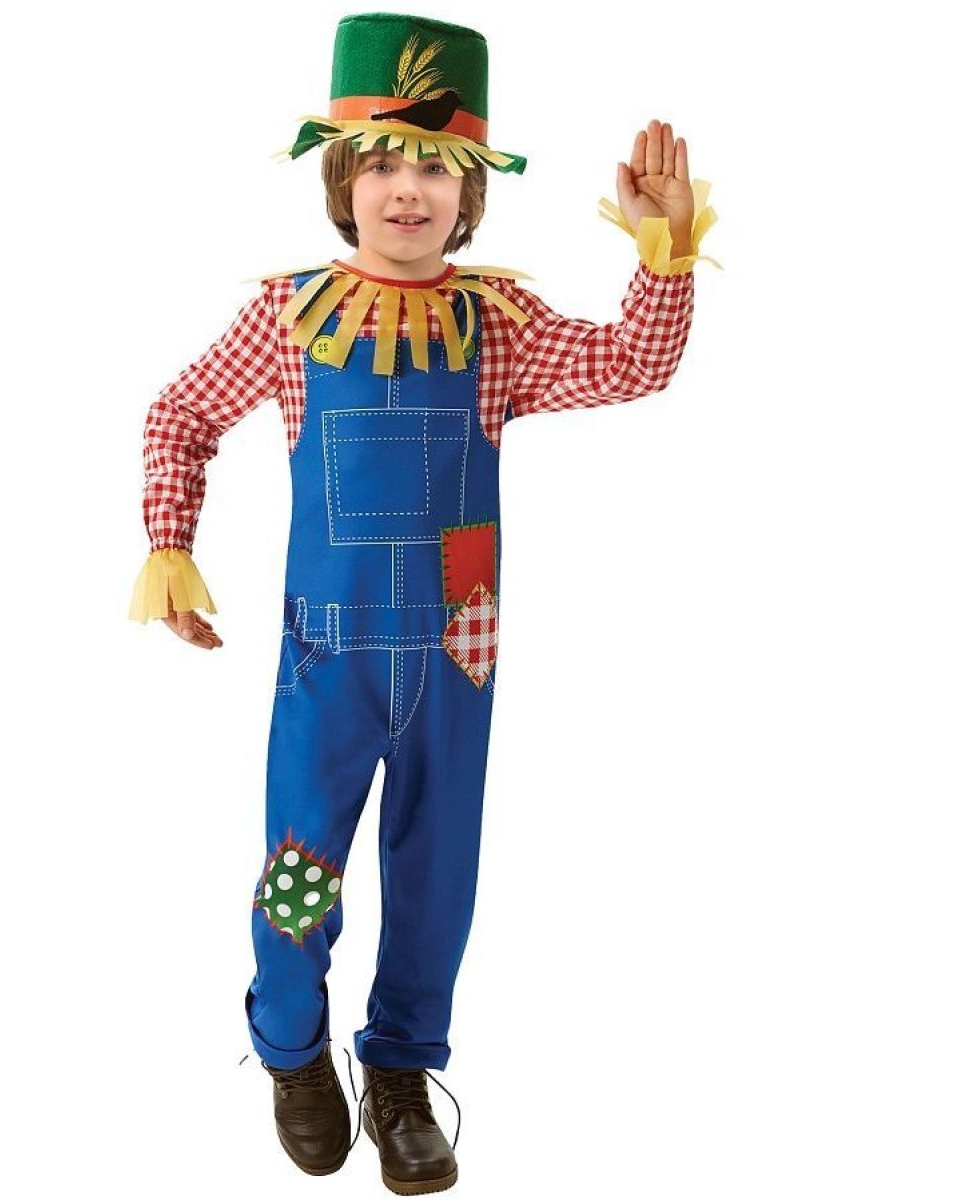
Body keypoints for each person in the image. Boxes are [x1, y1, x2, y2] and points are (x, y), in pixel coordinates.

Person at [129, 11, 719, 1194]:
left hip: (458, 650)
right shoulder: (289, 314)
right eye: (385, 163)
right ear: (343, 183)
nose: (410, 190)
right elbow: (180, 415)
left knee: (437, 877)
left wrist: (663, 258)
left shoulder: (498, 325)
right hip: (328, 656)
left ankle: (400, 1068)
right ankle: (291, 1047)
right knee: (298, 872)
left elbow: (632, 364)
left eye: (438, 170)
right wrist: (171, 547)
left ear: (470, 196)